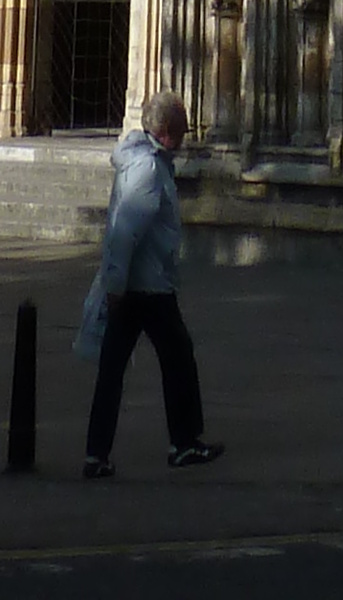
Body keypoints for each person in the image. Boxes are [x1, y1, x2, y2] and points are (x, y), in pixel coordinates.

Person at [81, 92, 223, 480]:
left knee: (114, 368)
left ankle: (97, 452)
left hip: (138, 282)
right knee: (178, 357)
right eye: (179, 131)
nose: (183, 139)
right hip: (147, 287)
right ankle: (184, 442)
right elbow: (126, 229)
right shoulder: (146, 168)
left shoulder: (142, 161)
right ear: (165, 133)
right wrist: (115, 283)